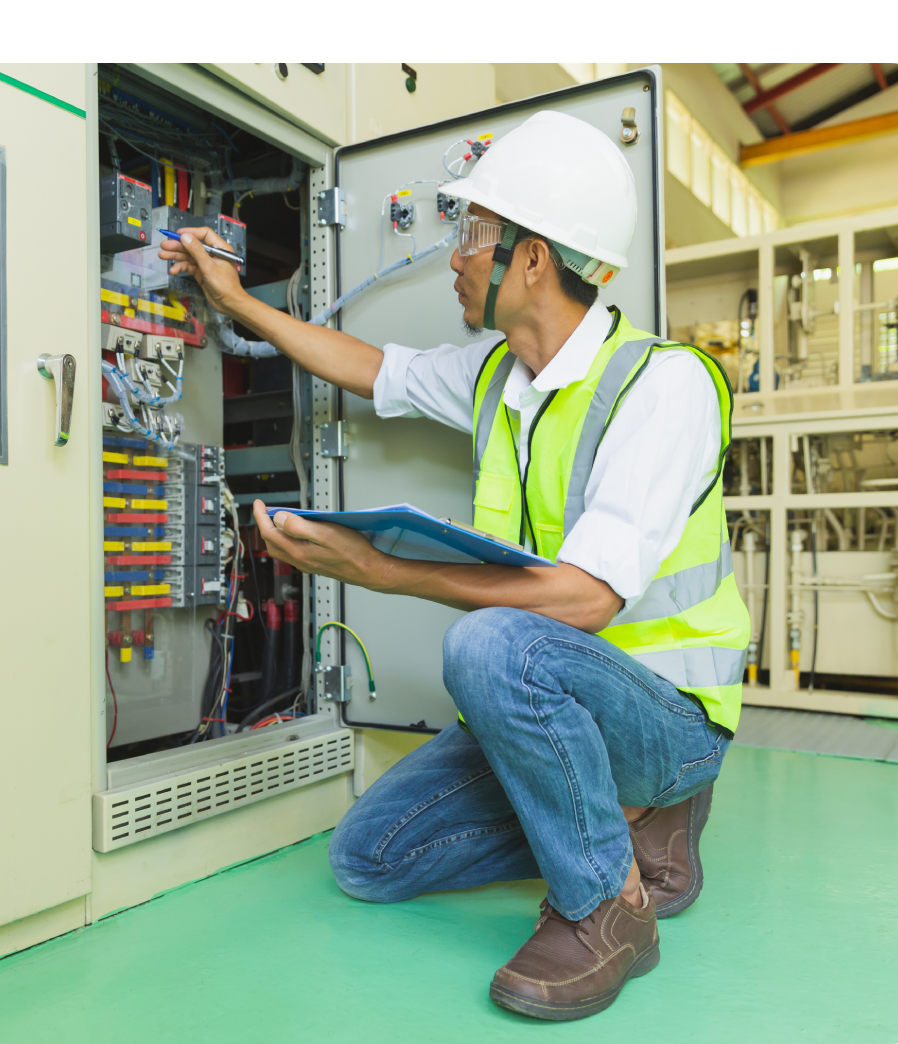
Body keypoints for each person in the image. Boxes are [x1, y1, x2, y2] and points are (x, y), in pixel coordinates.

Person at [159, 110, 749, 1022]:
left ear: (534, 259)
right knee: (372, 857)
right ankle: (622, 830)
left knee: (489, 645)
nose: (455, 256)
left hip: (666, 718)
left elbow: (587, 600)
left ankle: (608, 909)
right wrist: (236, 303)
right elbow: (372, 367)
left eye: (473, 233)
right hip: (561, 704)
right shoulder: (493, 376)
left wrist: (381, 571)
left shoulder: (659, 385)